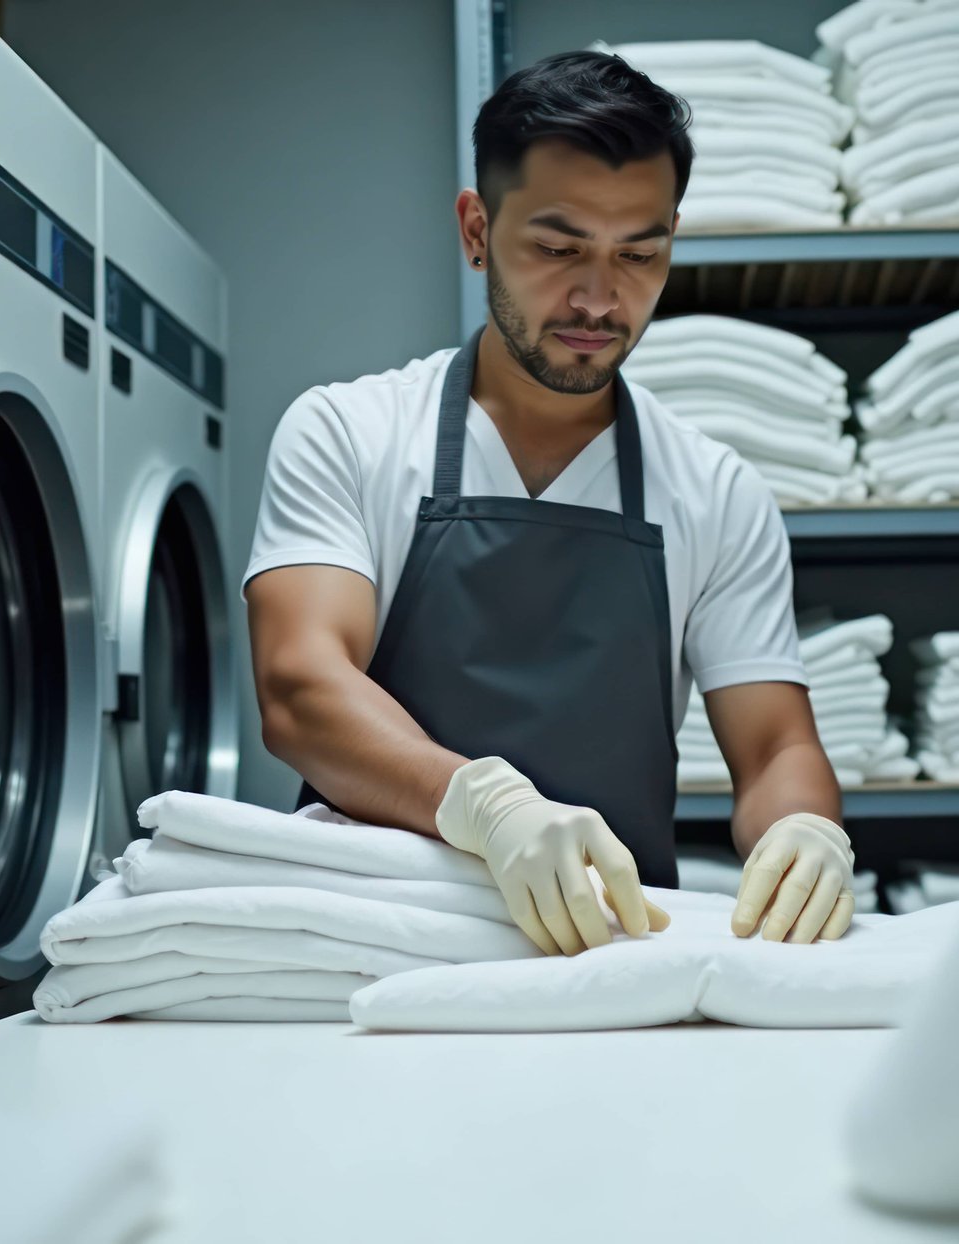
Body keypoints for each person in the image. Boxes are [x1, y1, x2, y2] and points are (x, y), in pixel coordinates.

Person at [244, 50, 854, 959]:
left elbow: (773, 750)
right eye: (559, 248)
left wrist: (805, 834)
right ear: (477, 228)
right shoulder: (348, 430)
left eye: (638, 254)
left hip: (611, 955)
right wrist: (488, 809)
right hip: (366, 948)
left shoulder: (715, 490)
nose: (599, 298)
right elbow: (300, 687)